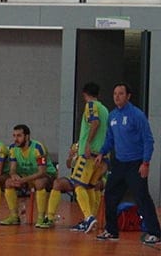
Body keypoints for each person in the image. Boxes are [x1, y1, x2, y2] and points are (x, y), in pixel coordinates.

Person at [95, 83, 161, 243]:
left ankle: (155, 233)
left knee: (141, 196)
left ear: (128, 96)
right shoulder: (112, 116)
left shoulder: (136, 115)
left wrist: (145, 163)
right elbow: (110, 138)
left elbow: (148, 139)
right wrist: (102, 152)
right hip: (119, 163)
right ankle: (111, 230)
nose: (117, 96)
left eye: (121, 93)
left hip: (135, 163)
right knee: (110, 194)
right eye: (115, 94)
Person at [44, 82, 109, 231]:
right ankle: (91, 219)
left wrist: (87, 143)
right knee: (91, 187)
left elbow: (95, 123)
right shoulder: (105, 109)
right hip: (101, 155)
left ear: (84, 94)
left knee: (78, 185)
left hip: (89, 154)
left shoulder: (91, 106)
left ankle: (88, 217)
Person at [0, 124, 56, 226]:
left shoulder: (38, 148)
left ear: (27, 136)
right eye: (14, 136)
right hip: (26, 177)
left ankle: (41, 218)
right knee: (8, 182)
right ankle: (14, 216)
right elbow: (12, 169)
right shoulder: (12, 148)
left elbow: (42, 172)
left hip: (46, 176)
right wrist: (14, 175)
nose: (16, 139)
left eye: (19, 136)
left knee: (39, 183)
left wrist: (23, 180)